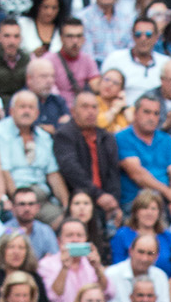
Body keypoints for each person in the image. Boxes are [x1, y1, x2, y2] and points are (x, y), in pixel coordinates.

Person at [0, 86, 67, 222]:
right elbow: (4, 171)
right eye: (22, 107)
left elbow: (53, 174)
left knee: (65, 221)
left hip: (41, 198)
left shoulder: (44, 137)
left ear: (37, 113)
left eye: (31, 107)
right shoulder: (0, 133)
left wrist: (66, 205)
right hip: (15, 197)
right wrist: (21, 203)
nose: (26, 111)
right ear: (11, 111)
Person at [52, 89, 123, 226]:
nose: (90, 111)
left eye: (94, 107)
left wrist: (113, 202)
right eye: (85, 107)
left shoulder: (106, 137)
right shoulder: (64, 135)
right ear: (73, 111)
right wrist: (99, 195)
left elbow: (113, 173)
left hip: (105, 199)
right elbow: (72, 170)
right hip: (76, 197)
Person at [116, 90, 171, 216]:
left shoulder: (166, 139)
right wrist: (169, 194)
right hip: (136, 203)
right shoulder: (122, 138)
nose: (152, 118)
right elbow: (138, 175)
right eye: (146, 112)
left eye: (156, 113)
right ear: (135, 113)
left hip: (165, 201)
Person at [38, 215, 111, 302]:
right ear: (59, 240)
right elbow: (52, 301)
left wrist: (97, 268)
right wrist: (64, 268)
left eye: (79, 235)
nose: (75, 239)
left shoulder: (92, 263)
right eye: (69, 235)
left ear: (86, 239)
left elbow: (108, 294)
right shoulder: (46, 264)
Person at [106, 230, 171, 302]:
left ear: (157, 256)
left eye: (150, 253)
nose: (144, 258)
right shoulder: (112, 274)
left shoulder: (160, 276)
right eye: (141, 252)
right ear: (130, 251)